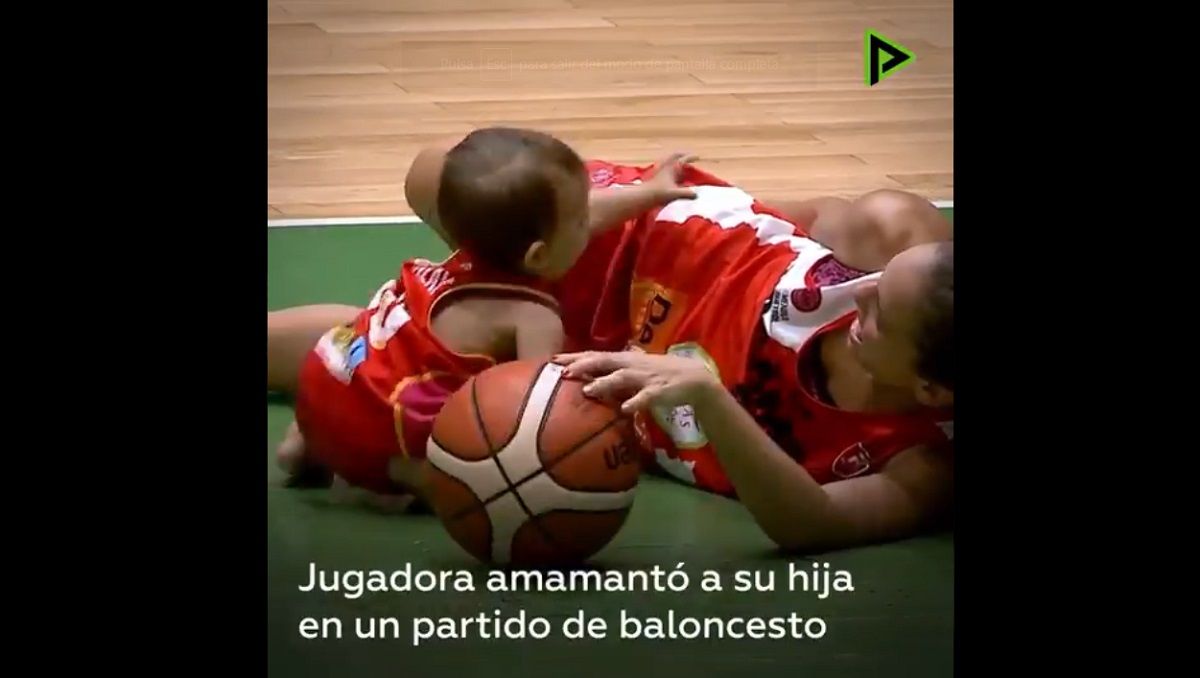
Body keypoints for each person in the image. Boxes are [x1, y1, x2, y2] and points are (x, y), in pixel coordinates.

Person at [268, 127, 696, 506]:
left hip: (325, 382)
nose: (594, 224)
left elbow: (591, 217)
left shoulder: (464, 257)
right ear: (539, 254)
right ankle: (384, 481)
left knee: (381, 360)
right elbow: (542, 413)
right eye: (581, 221)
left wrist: (651, 193)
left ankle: (309, 445)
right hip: (379, 433)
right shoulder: (533, 318)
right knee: (479, 476)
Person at [544, 162, 954, 554]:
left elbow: (812, 522)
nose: (860, 292)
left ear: (930, 390)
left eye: (880, 312)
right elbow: (802, 216)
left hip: (595, 371)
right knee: (499, 197)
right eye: (878, 281)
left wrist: (709, 395)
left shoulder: (923, 466)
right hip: (628, 238)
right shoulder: (903, 234)